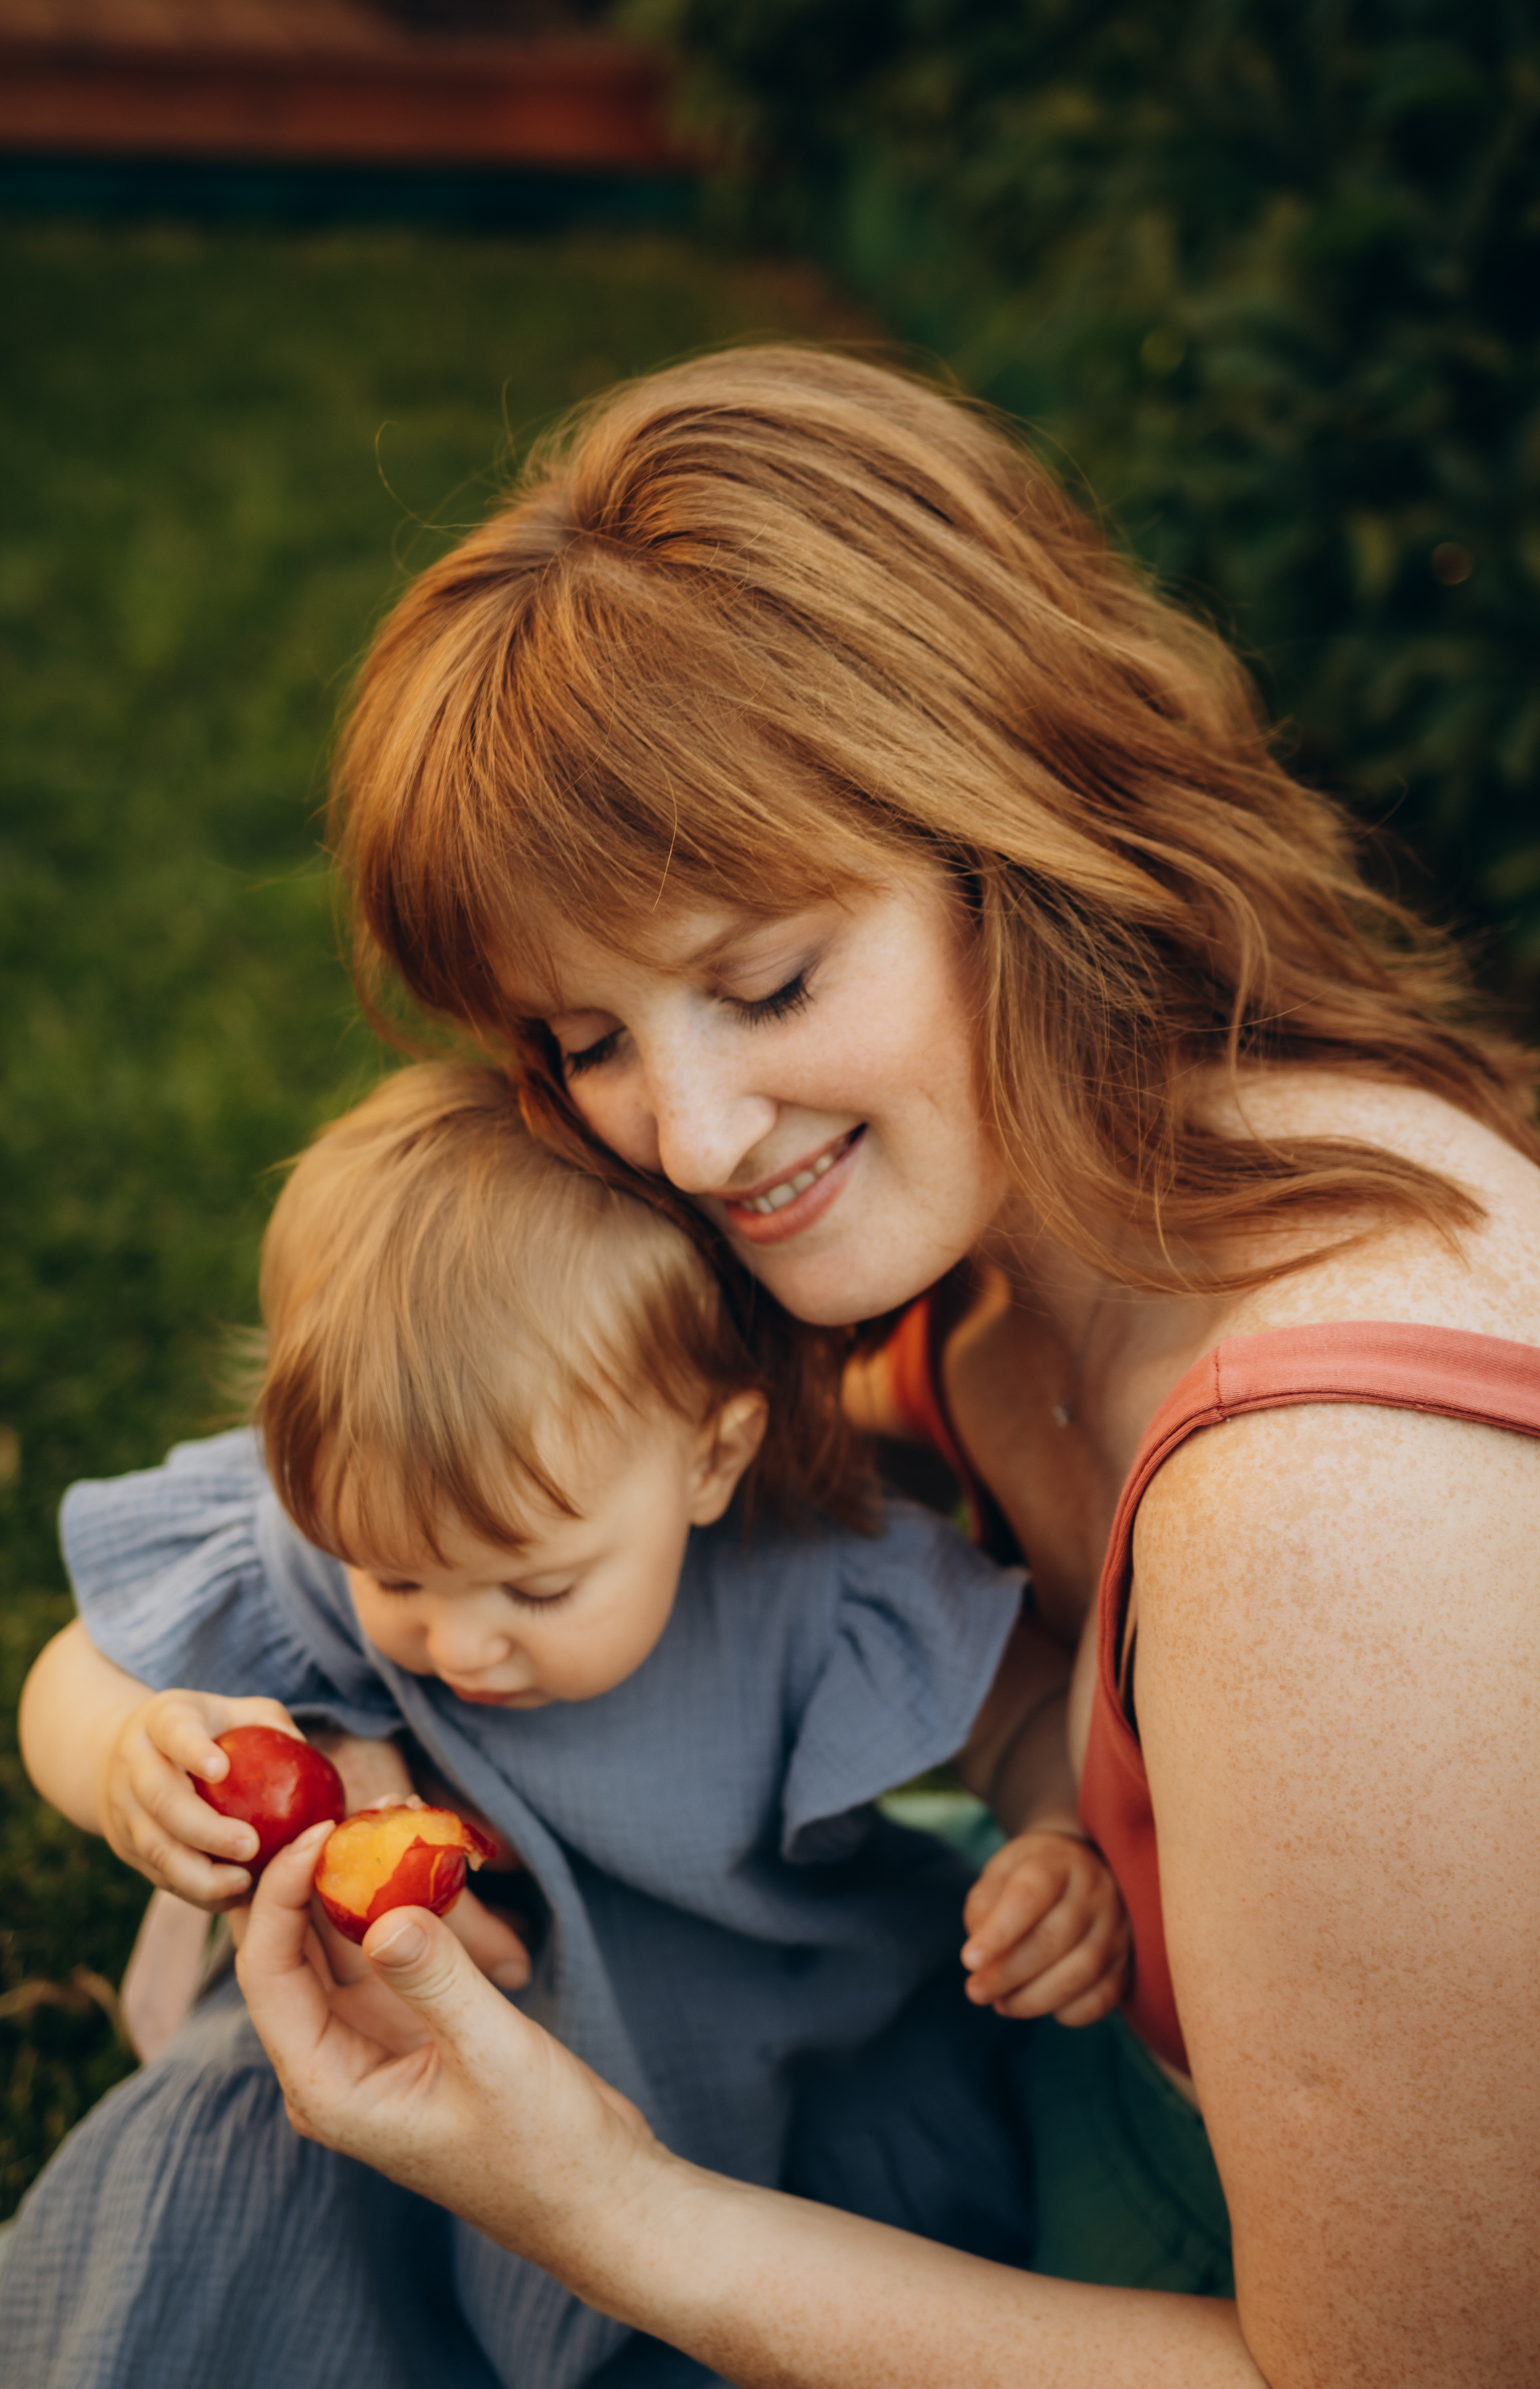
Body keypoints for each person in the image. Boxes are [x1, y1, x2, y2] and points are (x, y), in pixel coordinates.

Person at [234, 343, 1540, 2385]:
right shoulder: (1010, 1221)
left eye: (765, 981)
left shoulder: (1337, 1518)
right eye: (582, 1038)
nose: (691, 1135)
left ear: (1015, 836)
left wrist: (606, 2212)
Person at [0, 1061, 1125, 2389]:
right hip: (373, 2080)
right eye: (395, 1579)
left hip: (753, 2077)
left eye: (540, 1587)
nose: (458, 1645)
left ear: (712, 1458)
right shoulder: (344, 1531)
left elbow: (1025, 1704)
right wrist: (119, 1756)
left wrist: (1047, 1826)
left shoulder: (815, 1581)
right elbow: (76, 1669)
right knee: (210, 2260)